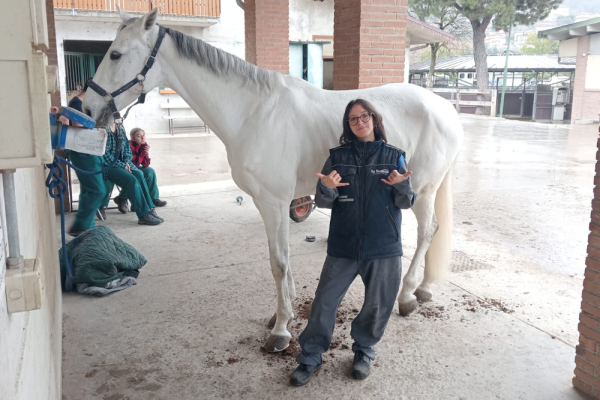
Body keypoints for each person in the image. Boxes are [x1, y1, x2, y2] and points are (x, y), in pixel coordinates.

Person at [290, 99, 416, 386]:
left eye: (364, 116)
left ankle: (364, 350)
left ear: (374, 118)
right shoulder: (337, 157)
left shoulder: (393, 156)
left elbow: (406, 202)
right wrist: (326, 187)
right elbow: (323, 201)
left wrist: (402, 185)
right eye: (353, 120)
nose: (360, 123)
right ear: (348, 126)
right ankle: (310, 356)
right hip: (344, 245)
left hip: (383, 246)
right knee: (323, 302)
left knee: (378, 304)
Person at [65, 83, 107, 237]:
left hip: (89, 151)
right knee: (97, 189)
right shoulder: (76, 103)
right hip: (83, 151)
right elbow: (78, 124)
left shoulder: (84, 104)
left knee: (89, 189)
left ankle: (86, 224)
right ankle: (80, 225)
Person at [101, 124, 163, 225]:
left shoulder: (119, 127)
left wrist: (126, 162)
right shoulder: (102, 128)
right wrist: (122, 165)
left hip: (125, 164)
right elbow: (105, 155)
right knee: (131, 179)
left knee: (139, 174)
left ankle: (150, 209)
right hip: (109, 166)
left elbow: (126, 149)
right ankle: (143, 214)